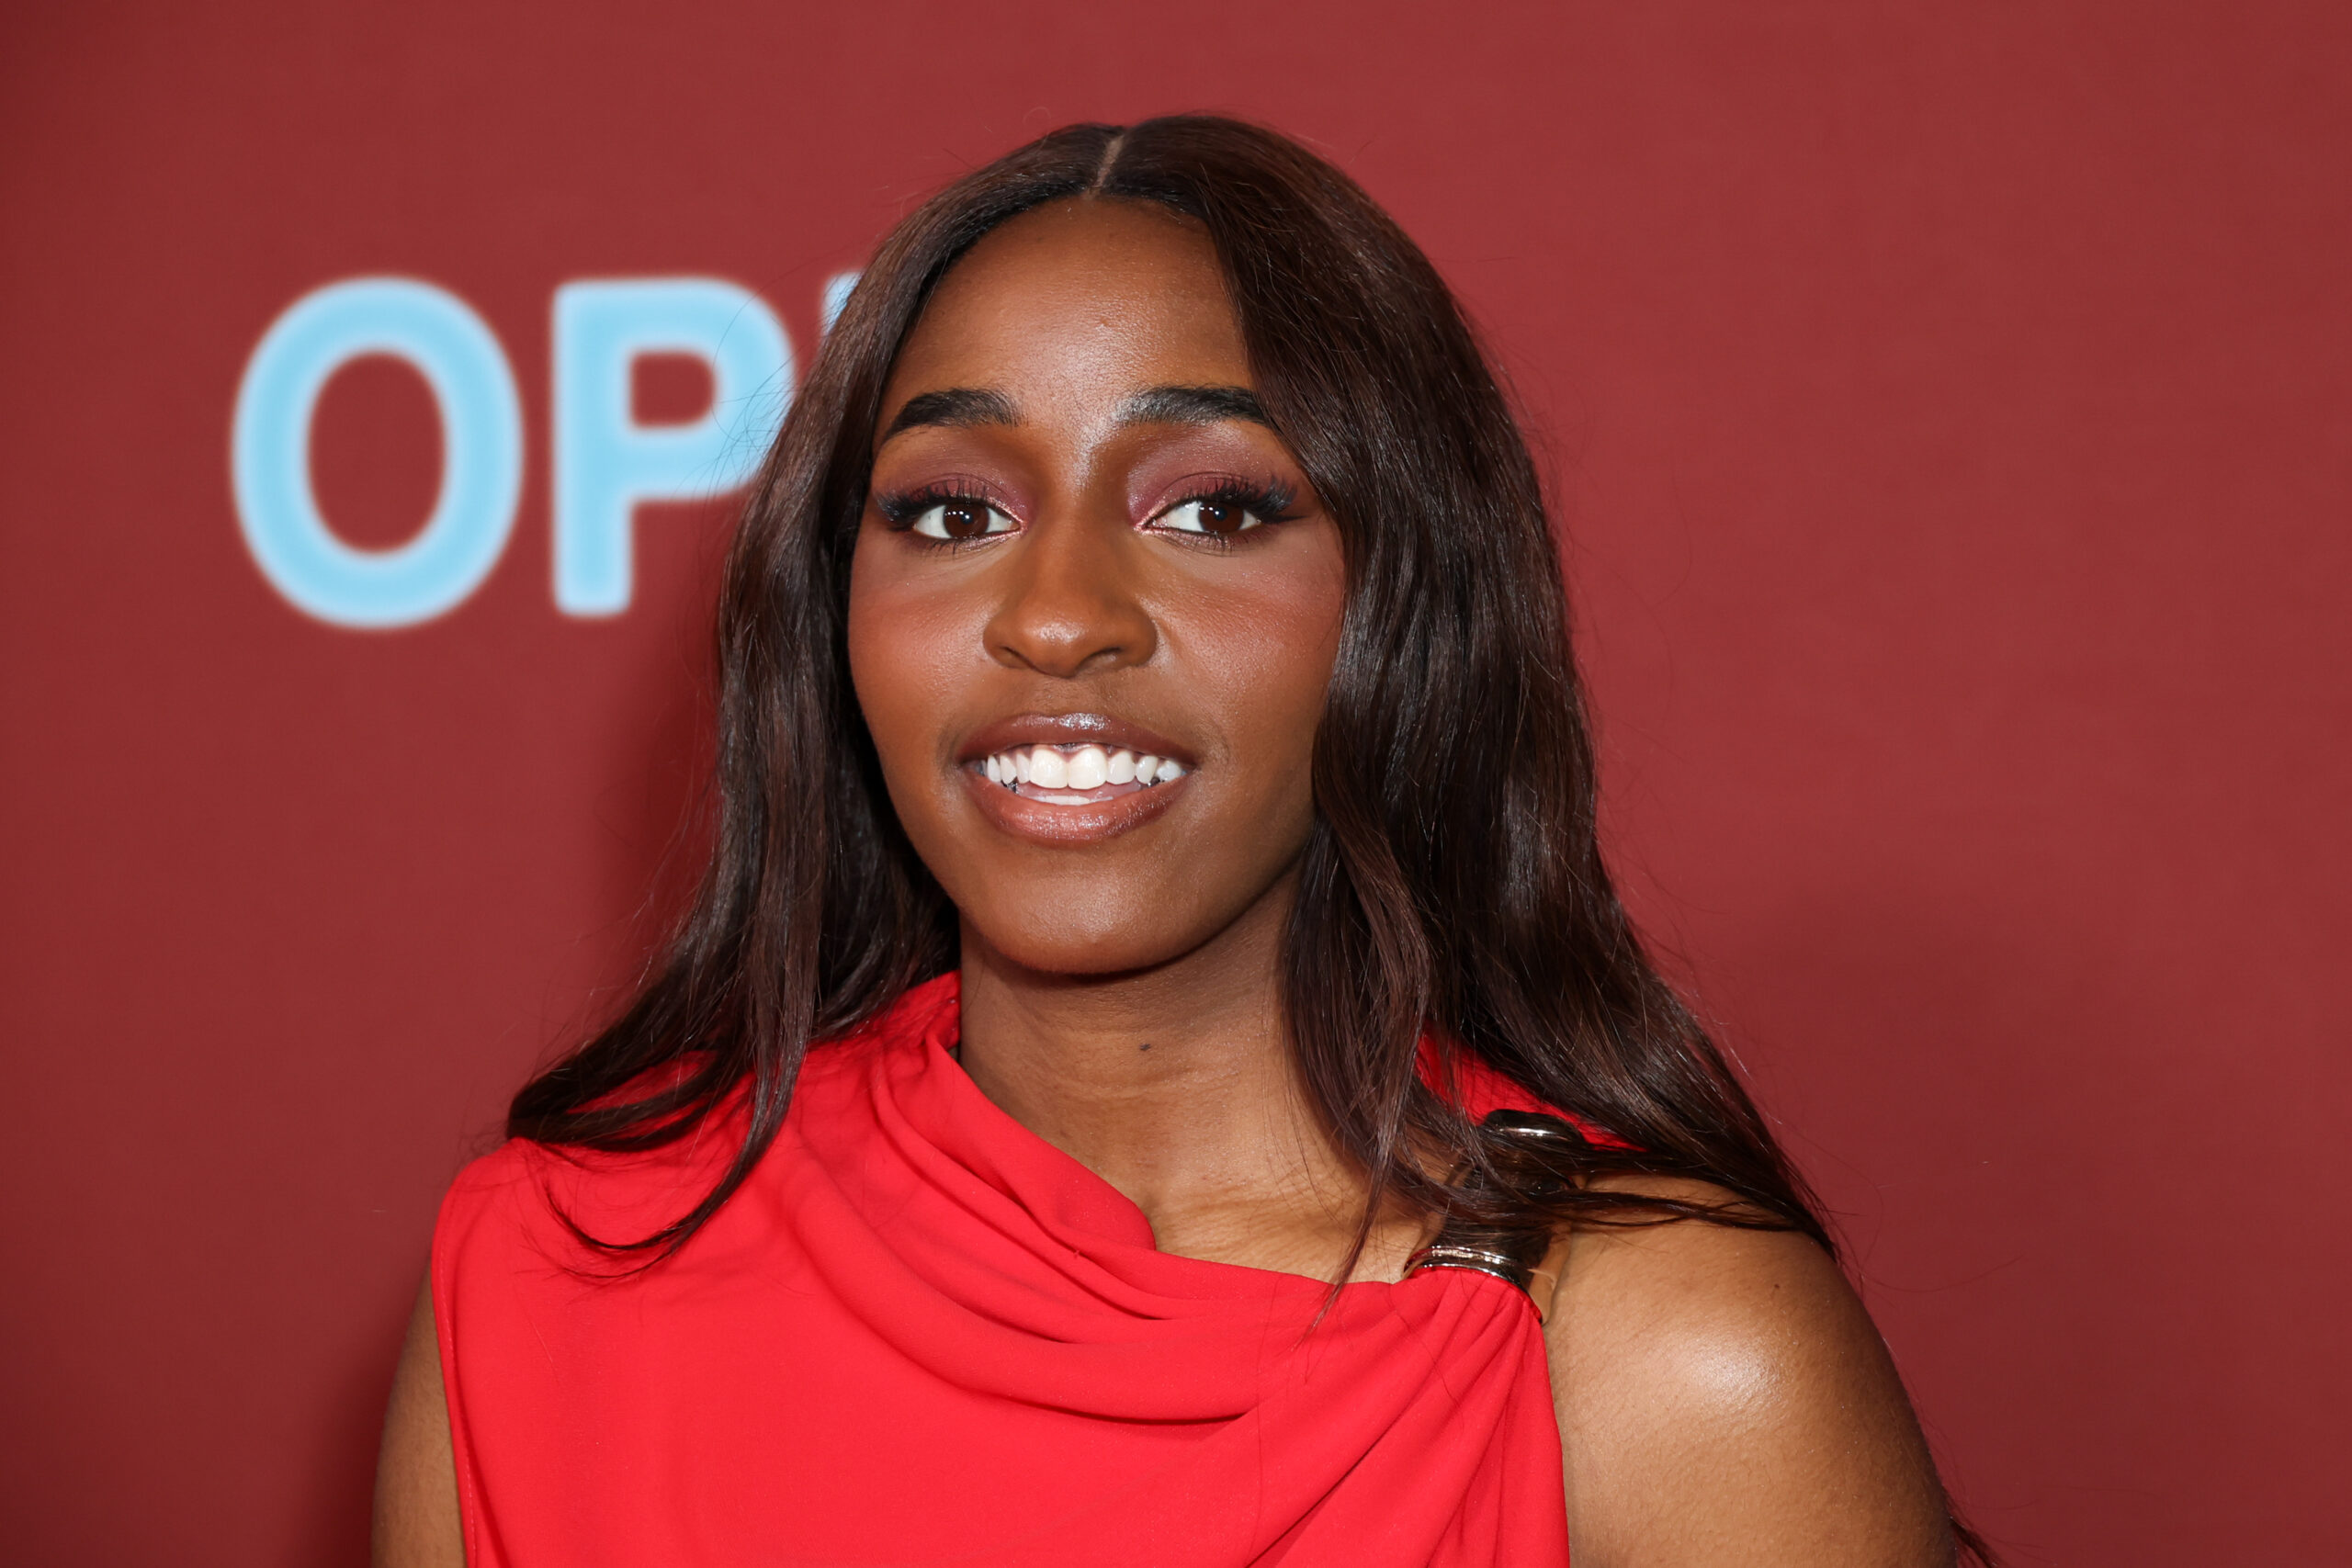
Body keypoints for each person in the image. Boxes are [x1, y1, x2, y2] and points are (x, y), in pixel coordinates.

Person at [375, 116, 1978, 1567]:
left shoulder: (1668, 1368)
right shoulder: (549, 1283)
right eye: (952, 513)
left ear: (1404, 606)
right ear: (832, 615)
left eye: (1210, 510)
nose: (1058, 616)